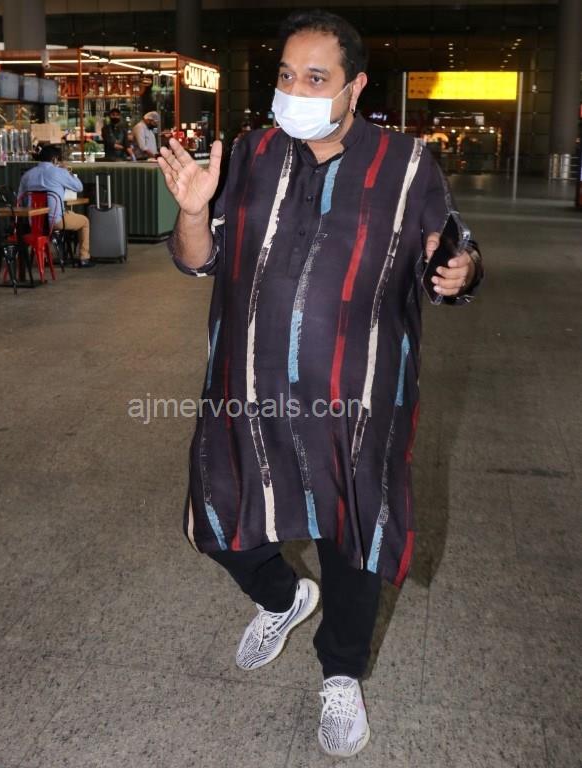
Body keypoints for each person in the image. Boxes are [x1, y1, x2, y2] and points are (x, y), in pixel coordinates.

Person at [159, 9, 483, 759]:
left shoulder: (407, 165)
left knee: (352, 535)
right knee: (216, 518)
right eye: (285, 75)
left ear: (354, 87)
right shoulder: (249, 154)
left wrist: (460, 271)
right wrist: (193, 212)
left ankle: (340, 673)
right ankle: (282, 596)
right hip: (247, 388)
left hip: (357, 397)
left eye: (315, 78)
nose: (295, 91)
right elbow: (197, 259)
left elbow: (450, 257)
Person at [18, 144, 94, 268]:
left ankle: (45, 256)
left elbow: (20, 200)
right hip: (56, 222)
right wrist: (67, 172)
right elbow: (79, 187)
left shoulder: (28, 175)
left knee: (68, 214)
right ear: (54, 159)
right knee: (84, 221)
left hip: (35, 223)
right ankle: (84, 258)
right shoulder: (59, 172)